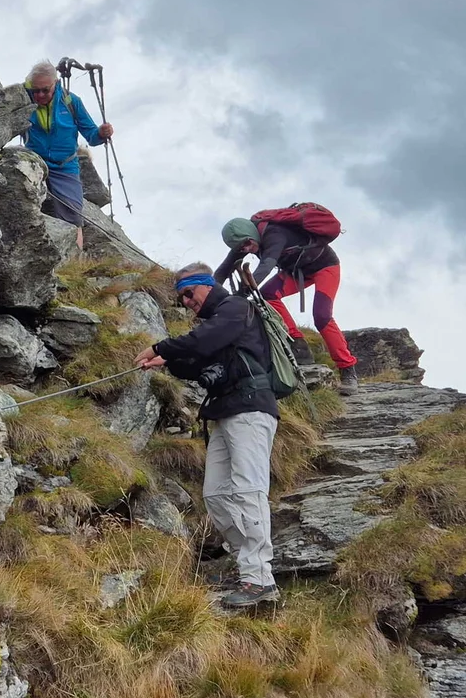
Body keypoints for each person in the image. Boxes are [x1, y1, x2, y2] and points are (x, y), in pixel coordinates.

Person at [135, 265, 281, 609]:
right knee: (215, 495)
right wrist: (163, 362)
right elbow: (198, 361)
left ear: (207, 284)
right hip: (223, 413)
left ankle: (259, 578)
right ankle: (250, 567)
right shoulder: (217, 326)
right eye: (181, 297)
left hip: (250, 410)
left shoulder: (236, 308)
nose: (187, 302)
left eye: (190, 293)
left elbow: (205, 340)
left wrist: (161, 346)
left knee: (248, 489)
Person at [214, 215, 360, 393]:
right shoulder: (247, 240)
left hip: (325, 266)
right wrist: (208, 295)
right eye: (241, 248)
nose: (247, 250)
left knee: (322, 316)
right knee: (268, 294)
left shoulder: (273, 234)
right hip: (297, 271)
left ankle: (348, 369)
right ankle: (298, 345)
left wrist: (245, 291)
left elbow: (267, 264)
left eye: (247, 244)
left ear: (251, 234)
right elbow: (223, 270)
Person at [19, 60, 112, 249]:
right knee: (20, 205)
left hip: (65, 165)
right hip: (35, 161)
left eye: (45, 90)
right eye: (35, 90)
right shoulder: (22, 99)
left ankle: (74, 262)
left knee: (73, 216)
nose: (40, 95)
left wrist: (102, 134)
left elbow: (92, 136)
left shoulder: (71, 102)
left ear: (56, 83)